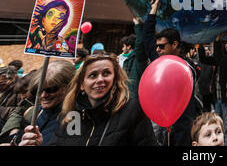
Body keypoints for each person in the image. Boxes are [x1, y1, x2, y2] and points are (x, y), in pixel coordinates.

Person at [20, 53, 157, 146]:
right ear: (81, 85)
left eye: (106, 73)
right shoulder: (72, 115)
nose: (100, 80)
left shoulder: (132, 110)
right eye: (92, 75)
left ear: (115, 79)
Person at [143, 0, 201, 146]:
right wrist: (154, 9)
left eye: (162, 46)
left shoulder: (188, 68)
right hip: (159, 125)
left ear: (174, 44)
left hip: (183, 127)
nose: (157, 49)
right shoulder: (158, 59)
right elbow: (147, 36)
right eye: (157, 46)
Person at [15, 60, 76, 146]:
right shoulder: (38, 112)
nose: (43, 95)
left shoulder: (75, 117)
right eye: (38, 90)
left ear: (69, 87)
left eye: (50, 90)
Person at [197, 35, 227, 146]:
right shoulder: (218, 61)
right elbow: (203, 59)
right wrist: (200, 46)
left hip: (226, 100)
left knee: (226, 128)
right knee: (219, 126)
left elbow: (219, 58)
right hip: (217, 99)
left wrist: (216, 42)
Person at [122, 17, 150, 99]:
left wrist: (138, 25)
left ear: (129, 46)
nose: (122, 49)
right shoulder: (126, 59)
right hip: (126, 96)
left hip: (134, 98)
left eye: (123, 46)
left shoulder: (139, 58)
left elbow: (140, 42)